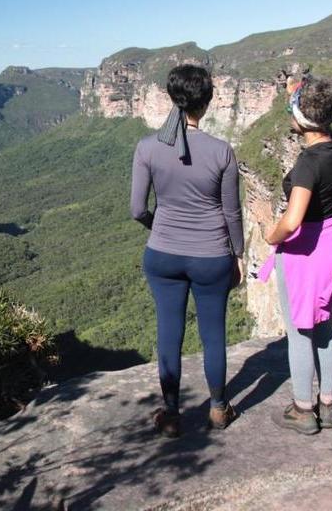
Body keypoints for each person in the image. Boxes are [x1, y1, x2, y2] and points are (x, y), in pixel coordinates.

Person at [130, 64, 245, 437]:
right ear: (207, 102)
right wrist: (238, 254)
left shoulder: (147, 147)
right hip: (212, 255)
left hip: (162, 254)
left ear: (171, 98)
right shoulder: (222, 151)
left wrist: (159, 227)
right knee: (214, 333)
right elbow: (231, 211)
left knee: (169, 332)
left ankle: (171, 413)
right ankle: (217, 409)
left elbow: (137, 210)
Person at [258, 74, 332, 435]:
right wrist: (295, 93)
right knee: (325, 325)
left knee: (300, 331)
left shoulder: (307, 165)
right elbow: (309, 112)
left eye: (291, 111)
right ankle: (328, 405)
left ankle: (303, 409)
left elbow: (293, 219)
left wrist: (272, 235)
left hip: (306, 250)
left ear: (301, 120)